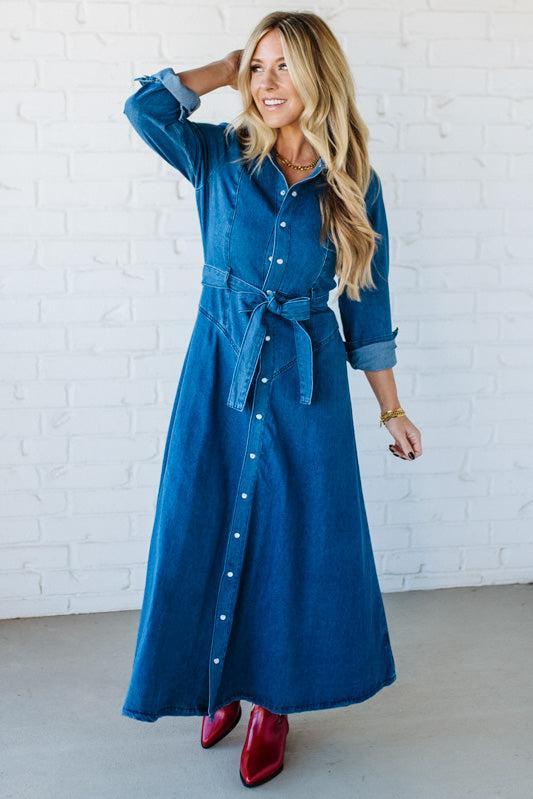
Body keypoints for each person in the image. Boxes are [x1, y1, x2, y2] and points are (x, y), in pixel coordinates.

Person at [121, 10, 422, 789]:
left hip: (304, 378)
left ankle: (272, 705)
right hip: (219, 368)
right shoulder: (219, 154)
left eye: (283, 67)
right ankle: (214, 686)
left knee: (295, 542)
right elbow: (143, 111)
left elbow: (368, 308)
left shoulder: (354, 182)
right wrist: (221, 70)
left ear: (319, 75)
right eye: (258, 67)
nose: (266, 82)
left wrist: (390, 408)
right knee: (205, 516)